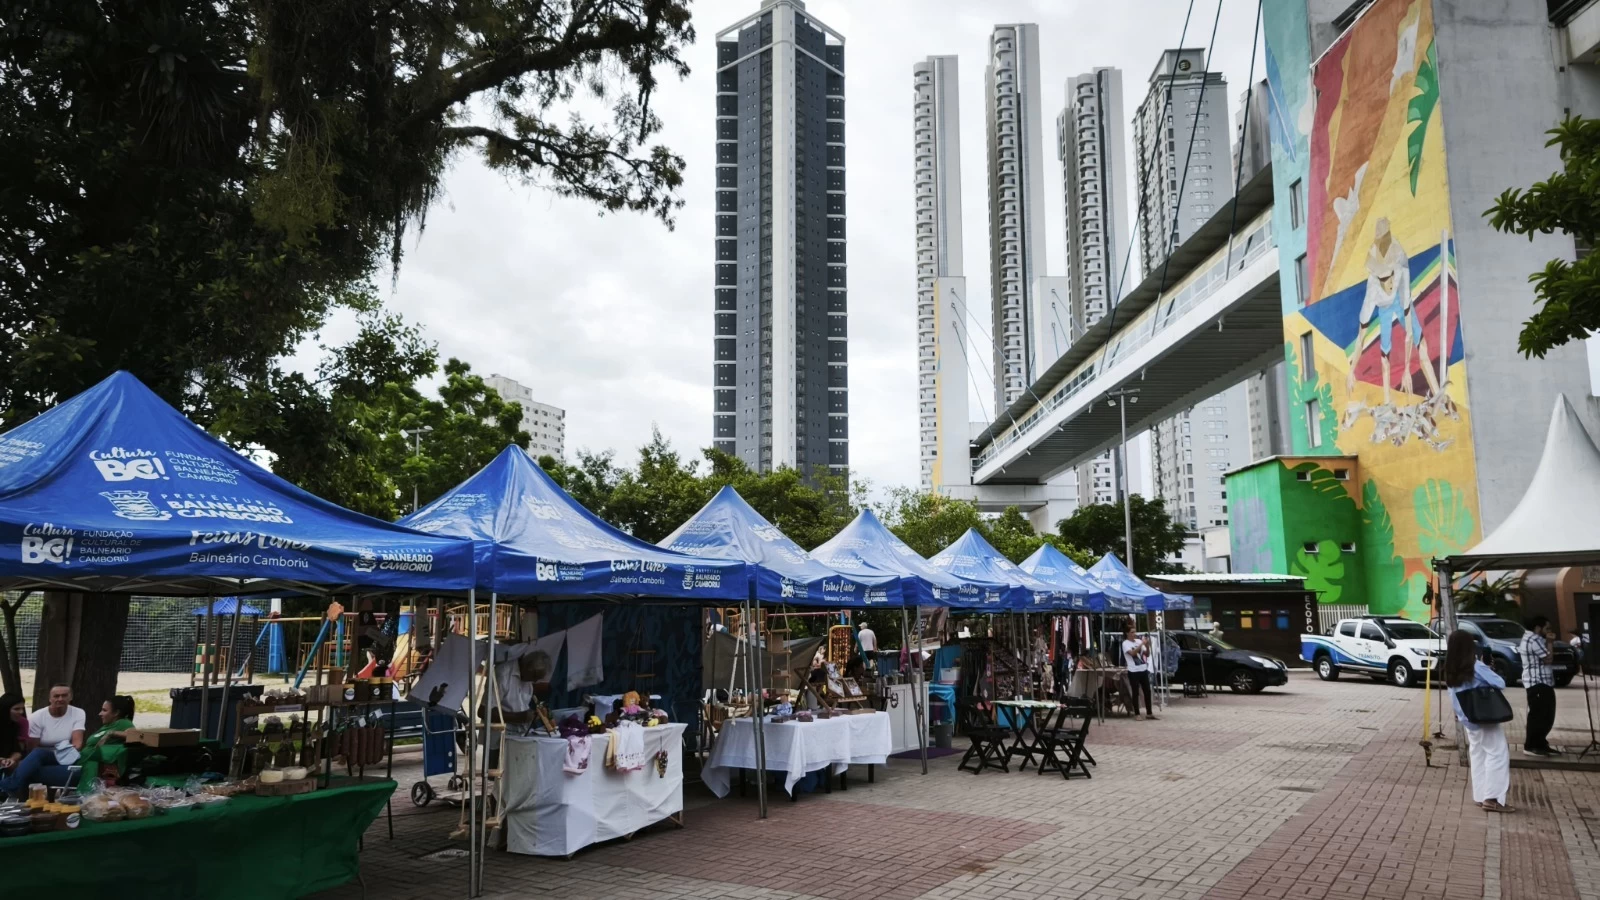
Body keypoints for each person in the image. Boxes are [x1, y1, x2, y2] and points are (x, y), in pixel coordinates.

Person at [1444, 630, 1514, 812]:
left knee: (1477, 754)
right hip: (1485, 717)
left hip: (1468, 718)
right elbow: (1500, 683)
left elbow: (1452, 694)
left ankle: (1480, 795)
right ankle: (1492, 798)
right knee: (1497, 754)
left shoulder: (1450, 667)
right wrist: (1487, 669)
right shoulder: (1476, 666)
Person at [1519, 616, 1559, 757]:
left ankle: (1541, 743)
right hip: (1537, 682)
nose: (1549, 631)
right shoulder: (1533, 639)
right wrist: (1550, 642)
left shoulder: (1533, 638)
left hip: (1543, 682)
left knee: (1547, 715)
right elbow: (1548, 659)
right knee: (1538, 715)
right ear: (1538, 627)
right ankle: (1531, 746)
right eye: (1547, 628)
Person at [76, 696, 135, 789]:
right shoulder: (108, 725)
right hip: (82, 761)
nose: (100, 713)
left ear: (116, 713)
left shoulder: (123, 723)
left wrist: (111, 733)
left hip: (91, 767)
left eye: (104, 710)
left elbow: (134, 736)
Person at [27, 683, 86, 758]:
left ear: (70, 697)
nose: (60, 699)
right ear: (50, 699)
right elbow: (33, 748)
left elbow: (77, 744)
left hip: (67, 755)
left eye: (64, 695)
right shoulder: (36, 717)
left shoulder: (78, 712)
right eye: (56, 696)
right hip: (41, 755)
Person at [1122, 625, 1157, 721]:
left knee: (1147, 691)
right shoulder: (1125, 643)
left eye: (1135, 632)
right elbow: (1132, 653)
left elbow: (1147, 654)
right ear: (1127, 633)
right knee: (1135, 692)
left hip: (1143, 669)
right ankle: (1137, 713)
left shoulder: (1138, 641)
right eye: (1132, 632)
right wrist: (1142, 644)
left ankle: (1149, 712)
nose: (1134, 634)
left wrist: (1147, 645)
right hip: (1133, 671)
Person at [0, 693, 25, 773]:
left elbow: (17, 751)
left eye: (22, 708)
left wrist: (12, 759)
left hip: (7, 765)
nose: (21, 712)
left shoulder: (14, 726)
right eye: (16, 709)